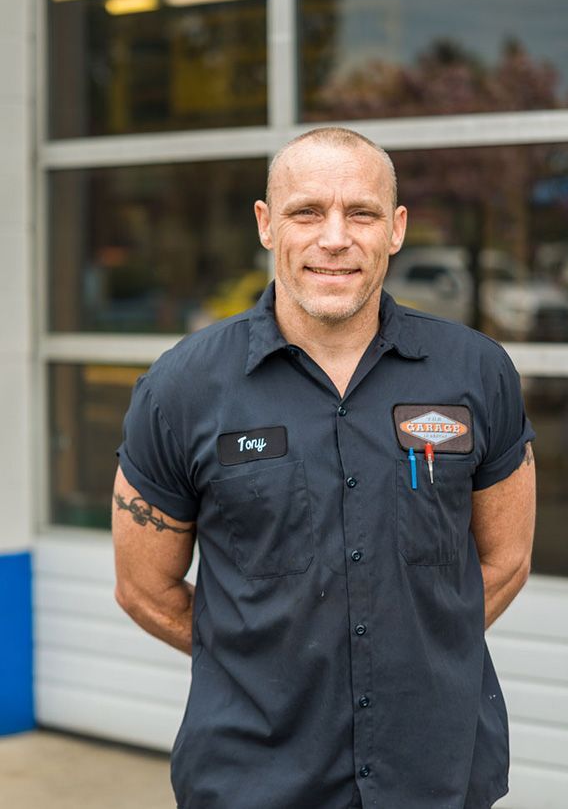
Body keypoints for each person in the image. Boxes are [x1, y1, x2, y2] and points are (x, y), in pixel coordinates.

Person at [112, 126, 536, 809]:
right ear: (266, 224)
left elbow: (507, 560)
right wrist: (260, 659)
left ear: (395, 229)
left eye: (361, 213)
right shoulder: (182, 389)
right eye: (307, 211)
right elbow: (143, 589)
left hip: (436, 772)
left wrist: (416, 646)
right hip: (253, 779)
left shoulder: (476, 372)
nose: (334, 237)